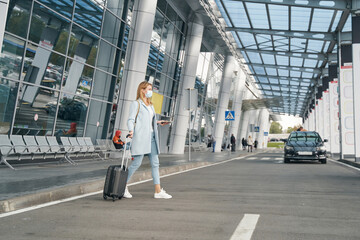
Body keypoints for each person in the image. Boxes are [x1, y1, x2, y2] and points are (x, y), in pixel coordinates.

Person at [125, 81, 172, 199]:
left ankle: (158, 191)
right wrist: (131, 131)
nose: (151, 91)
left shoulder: (151, 105)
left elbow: (147, 121)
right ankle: (123, 186)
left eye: (151, 89)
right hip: (141, 137)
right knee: (136, 163)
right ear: (142, 90)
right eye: (149, 89)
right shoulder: (136, 104)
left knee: (155, 164)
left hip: (151, 137)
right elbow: (130, 120)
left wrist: (158, 122)